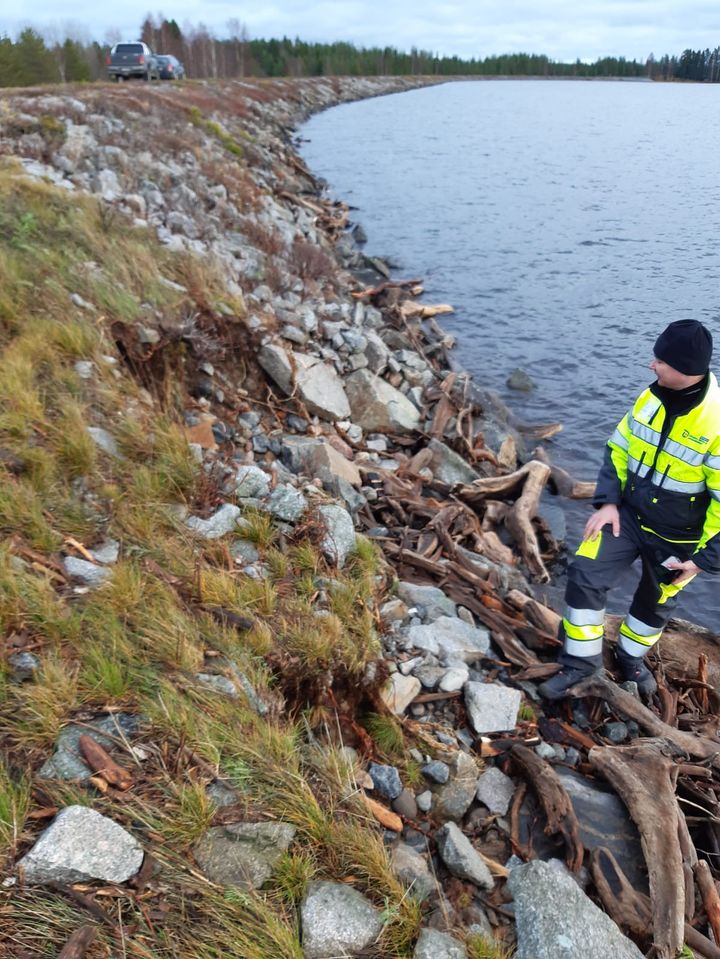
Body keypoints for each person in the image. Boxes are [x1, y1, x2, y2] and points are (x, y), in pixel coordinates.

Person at [539, 319, 720, 700]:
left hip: (681, 539)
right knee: (585, 572)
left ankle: (630, 658)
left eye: (659, 360)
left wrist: (703, 561)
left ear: (685, 369)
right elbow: (617, 449)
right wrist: (607, 502)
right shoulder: (649, 398)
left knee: (655, 604)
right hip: (628, 517)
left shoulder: (716, 424)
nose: (651, 365)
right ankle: (581, 664)